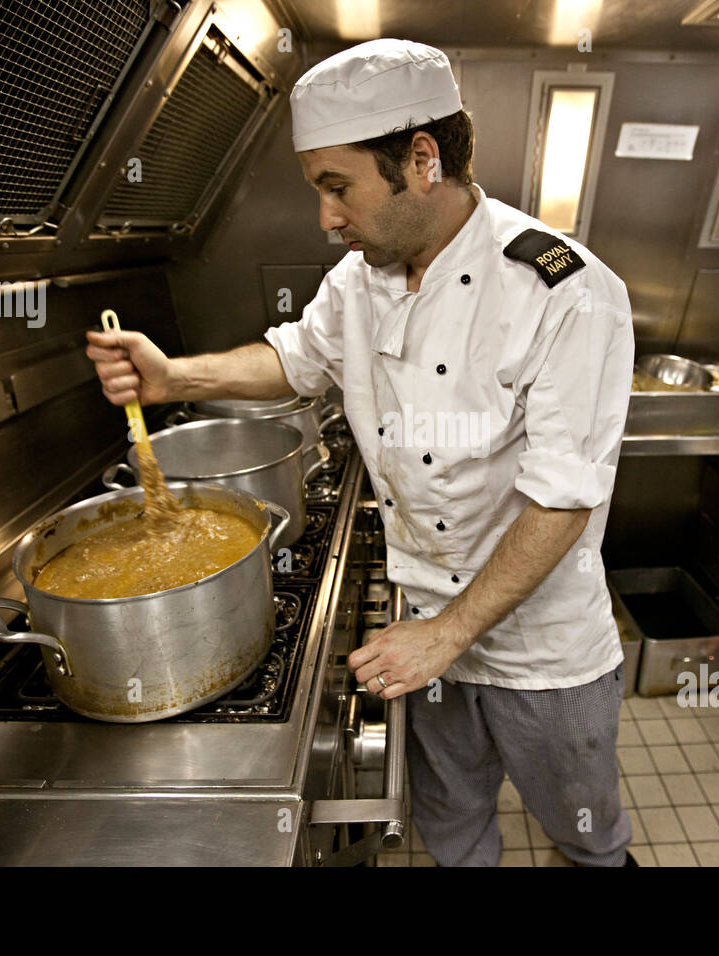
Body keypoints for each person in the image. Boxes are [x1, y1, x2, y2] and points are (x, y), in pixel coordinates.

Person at [86, 38, 636, 867]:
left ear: (422, 160)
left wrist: (449, 634)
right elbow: (293, 360)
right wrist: (171, 378)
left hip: (542, 650)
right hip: (423, 621)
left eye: (337, 187)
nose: (327, 217)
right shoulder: (360, 279)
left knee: (585, 830)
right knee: (452, 823)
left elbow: (561, 498)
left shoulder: (565, 290)